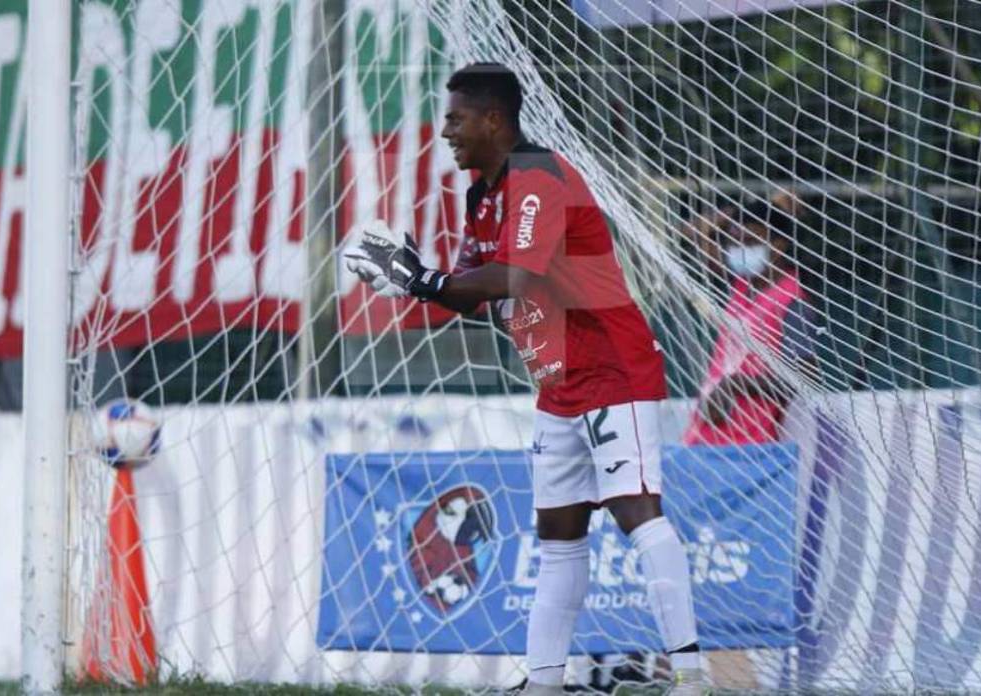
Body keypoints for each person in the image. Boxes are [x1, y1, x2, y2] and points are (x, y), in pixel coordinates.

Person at [344, 63, 706, 695]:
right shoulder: (481, 194)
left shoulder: (539, 174)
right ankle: (542, 684)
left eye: (456, 119)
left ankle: (693, 675)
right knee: (558, 537)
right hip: (556, 382)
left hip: (611, 366)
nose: (448, 131)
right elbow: (465, 291)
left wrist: (422, 281)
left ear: (493, 119)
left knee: (636, 513)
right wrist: (410, 275)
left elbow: (512, 275)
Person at [683, 194, 817, 447]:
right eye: (733, 243)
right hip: (706, 438)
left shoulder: (793, 302)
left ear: (777, 246)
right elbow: (693, 232)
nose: (739, 251)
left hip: (747, 447)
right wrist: (745, 208)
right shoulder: (743, 286)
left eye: (749, 242)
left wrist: (736, 385)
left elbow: (805, 377)